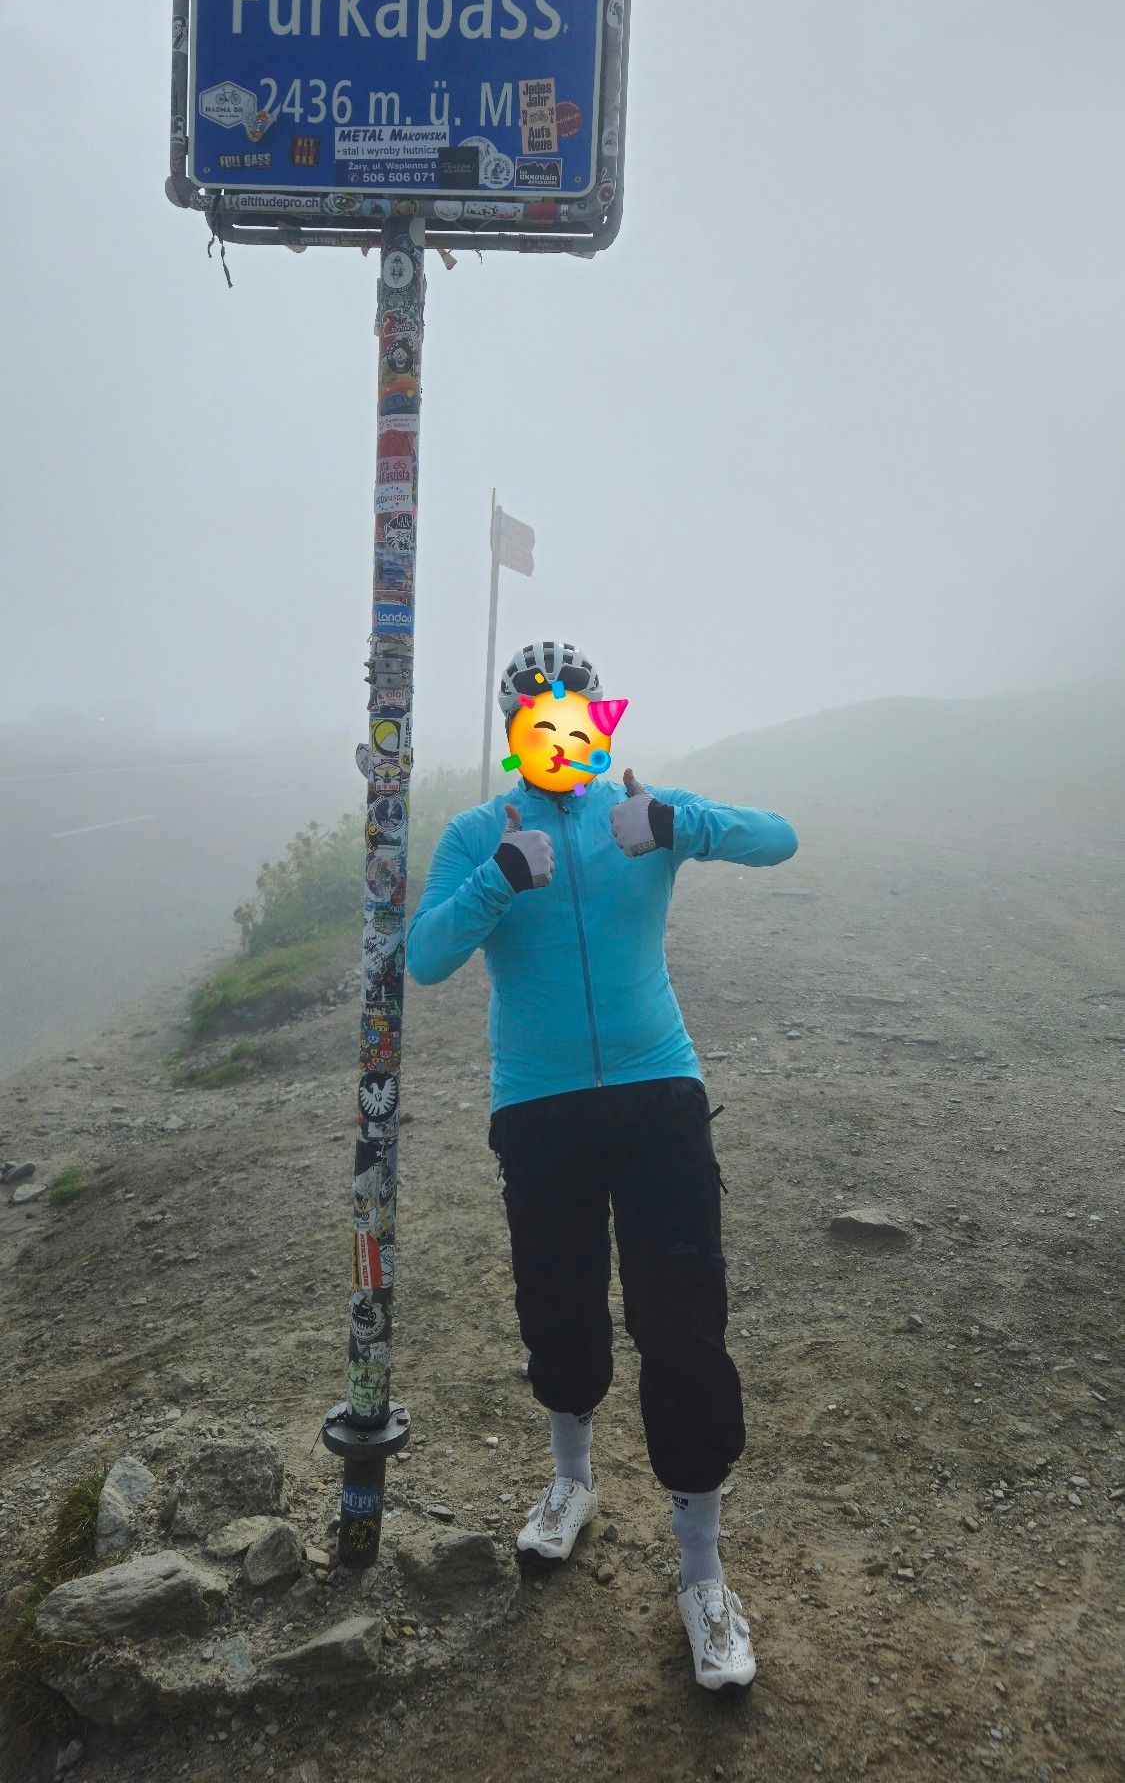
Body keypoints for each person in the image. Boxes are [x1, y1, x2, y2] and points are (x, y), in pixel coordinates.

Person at [406, 640, 798, 1691]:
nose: (562, 729)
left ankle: (703, 1574)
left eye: (576, 711)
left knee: (683, 1317)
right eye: (539, 715)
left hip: (658, 1089)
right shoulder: (476, 832)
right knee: (560, 1303)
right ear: (515, 732)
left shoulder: (644, 808)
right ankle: (570, 1482)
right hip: (537, 1104)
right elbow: (427, 954)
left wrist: (681, 823)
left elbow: (782, 838)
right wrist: (499, 877)